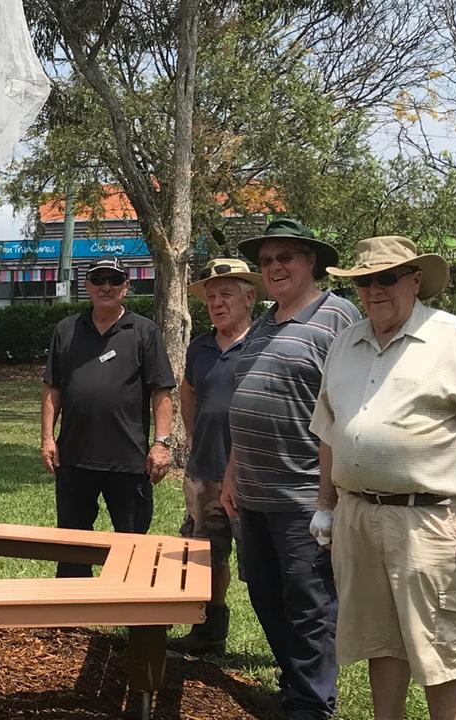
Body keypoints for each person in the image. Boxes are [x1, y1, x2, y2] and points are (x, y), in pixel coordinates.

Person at [310, 235, 456, 720]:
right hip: (357, 515)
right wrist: (325, 506)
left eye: (387, 278)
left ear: (415, 280)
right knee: (381, 641)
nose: (375, 289)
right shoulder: (346, 342)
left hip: (431, 520)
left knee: (440, 648)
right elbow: (329, 432)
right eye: (365, 280)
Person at [221, 218, 361, 720]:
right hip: (253, 493)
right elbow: (247, 396)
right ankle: (295, 687)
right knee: (265, 595)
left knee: (310, 605)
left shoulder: (338, 317)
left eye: (286, 257)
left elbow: (346, 411)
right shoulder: (265, 321)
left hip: (303, 494)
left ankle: (311, 705)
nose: (274, 267)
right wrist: (233, 472)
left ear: (311, 261)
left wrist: (329, 499)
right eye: (266, 261)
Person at [41, 256, 176, 577]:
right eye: (98, 280)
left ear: (126, 287)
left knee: (133, 547)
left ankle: (136, 622)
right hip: (74, 459)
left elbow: (162, 392)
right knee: (72, 546)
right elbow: (52, 388)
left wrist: (161, 444)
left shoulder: (145, 331)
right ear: (86, 286)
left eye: (114, 281)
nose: (106, 287)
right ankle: (72, 619)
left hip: (128, 462)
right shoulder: (67, 330)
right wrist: (48, 438)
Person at [170, 258, 260, 656]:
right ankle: (209, 631)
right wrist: (192, 433)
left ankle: (290, 651)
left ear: (250, 297)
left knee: (263, 565)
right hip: (205, 470)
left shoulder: (265, 343)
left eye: (226, 294)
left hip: (256, 476)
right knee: (206, 555)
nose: (217, 303)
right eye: (211, 297)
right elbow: (187, 390)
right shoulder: (200, 347)